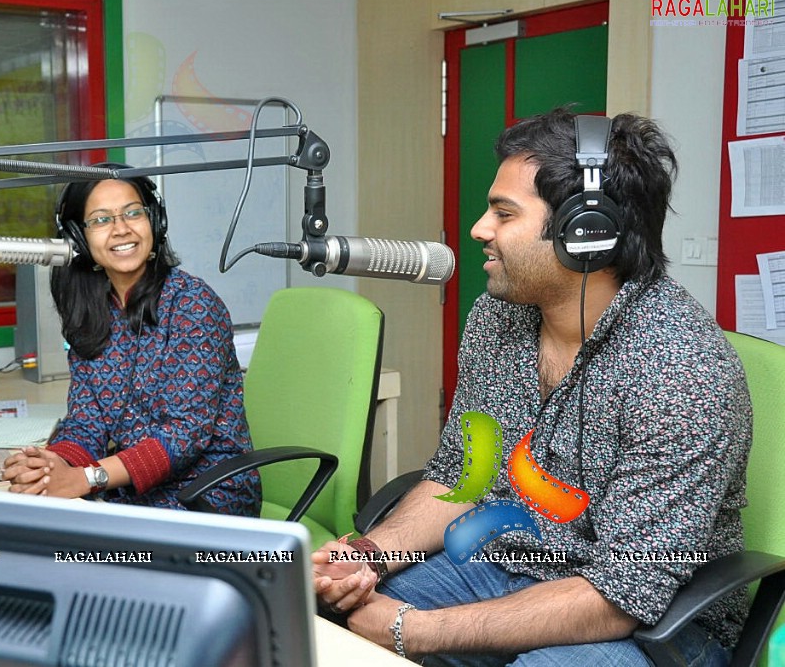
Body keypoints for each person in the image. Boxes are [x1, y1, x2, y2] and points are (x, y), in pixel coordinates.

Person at [312, 109, 751, 666]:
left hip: (658, 621)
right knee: (341, 627)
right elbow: (464, 478)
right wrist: (368, 556)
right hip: (509, 564)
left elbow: (622, 594)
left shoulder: (681, 370)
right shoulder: (498, 318)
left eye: (503, 212)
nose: (479, 228)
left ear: (587, 232)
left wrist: (410, 630)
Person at [3, 165, 261, 517]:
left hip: (209, 496)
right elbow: (86, 421)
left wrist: (87, 478)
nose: (121, 228)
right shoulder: (91, 314)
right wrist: (51, 465)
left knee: (76, 560)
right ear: (79, 237)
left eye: (133, 213)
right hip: (129, 494)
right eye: (101, 220)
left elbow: (185, 435)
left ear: (154, 221)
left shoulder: (192, 304)